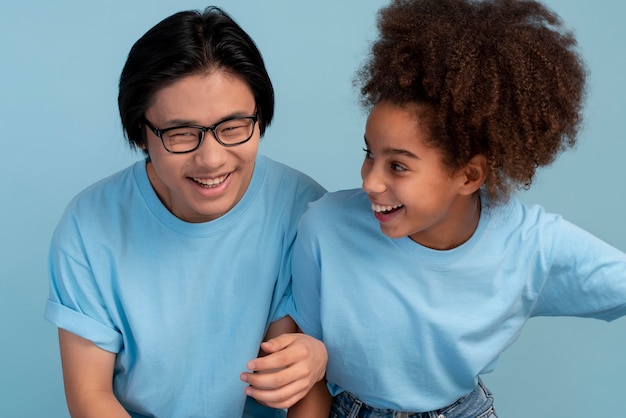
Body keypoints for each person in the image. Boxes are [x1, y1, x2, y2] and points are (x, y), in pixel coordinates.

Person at [288, 0, 626, 416]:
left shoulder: (531, 244)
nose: (370, 182)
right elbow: (307, 370)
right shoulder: (324, 228)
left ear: (468, 176)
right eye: (368, 154)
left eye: (397, 165)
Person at [44, 6, 328, 418]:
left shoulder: (304, 212)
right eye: (181, 134)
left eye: (233, 128)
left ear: (260, 116)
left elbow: (298, 385)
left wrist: (314, 357)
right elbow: (90, 394)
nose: (211, 159)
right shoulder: (88, 226)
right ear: (141, 132)